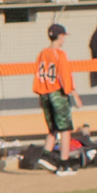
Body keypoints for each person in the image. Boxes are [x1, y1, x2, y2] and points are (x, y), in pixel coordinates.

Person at [33, 22, 81, 162]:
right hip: (57, 93)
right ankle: (64, 161)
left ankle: (45, 157)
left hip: (44, 94)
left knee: (53, 128)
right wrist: (75, 96)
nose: (64, 39)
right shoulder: (59, 54)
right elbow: (66, 77)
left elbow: (38, 76)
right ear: (60, 36)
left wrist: (40, 94)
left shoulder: (42, 53)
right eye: (63, 36)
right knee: (65, 129)